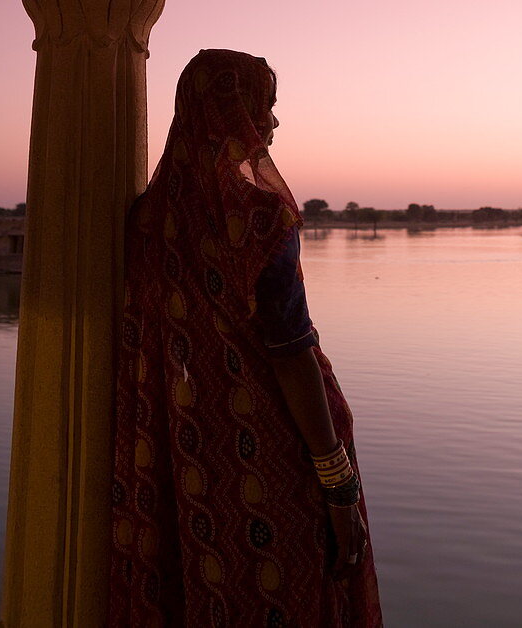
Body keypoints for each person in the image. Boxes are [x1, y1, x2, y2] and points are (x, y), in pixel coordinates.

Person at [109, 49, 383, 627]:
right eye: (266, 109)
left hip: (188, 457)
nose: (273, 125)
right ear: (233, 114)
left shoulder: (146, 220)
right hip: (274, 457)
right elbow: (292, 356)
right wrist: (337, 487)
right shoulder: (260, 220)